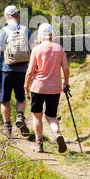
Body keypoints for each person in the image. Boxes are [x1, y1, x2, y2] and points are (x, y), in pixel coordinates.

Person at [24, 23, 69, 153]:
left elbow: (30, 71)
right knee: (51, 116)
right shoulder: (59, 48)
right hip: (55, 87)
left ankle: (39, 144)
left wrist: (26, 86)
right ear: (51, 35)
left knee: (37, 116)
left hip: (38, 87)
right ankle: (57, 133)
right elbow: (65, 68)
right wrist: (66, 83)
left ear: (40, 35)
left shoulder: (37, 50)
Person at [0, 5, 32, 137]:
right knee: (20, 97)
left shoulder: (2, 32)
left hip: (5, 70)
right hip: (22, 71)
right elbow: (34, 51)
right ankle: (20, 116)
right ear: (18, 16)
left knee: (5, 100)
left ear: (5, 17)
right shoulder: (26, 30)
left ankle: (7, 127)